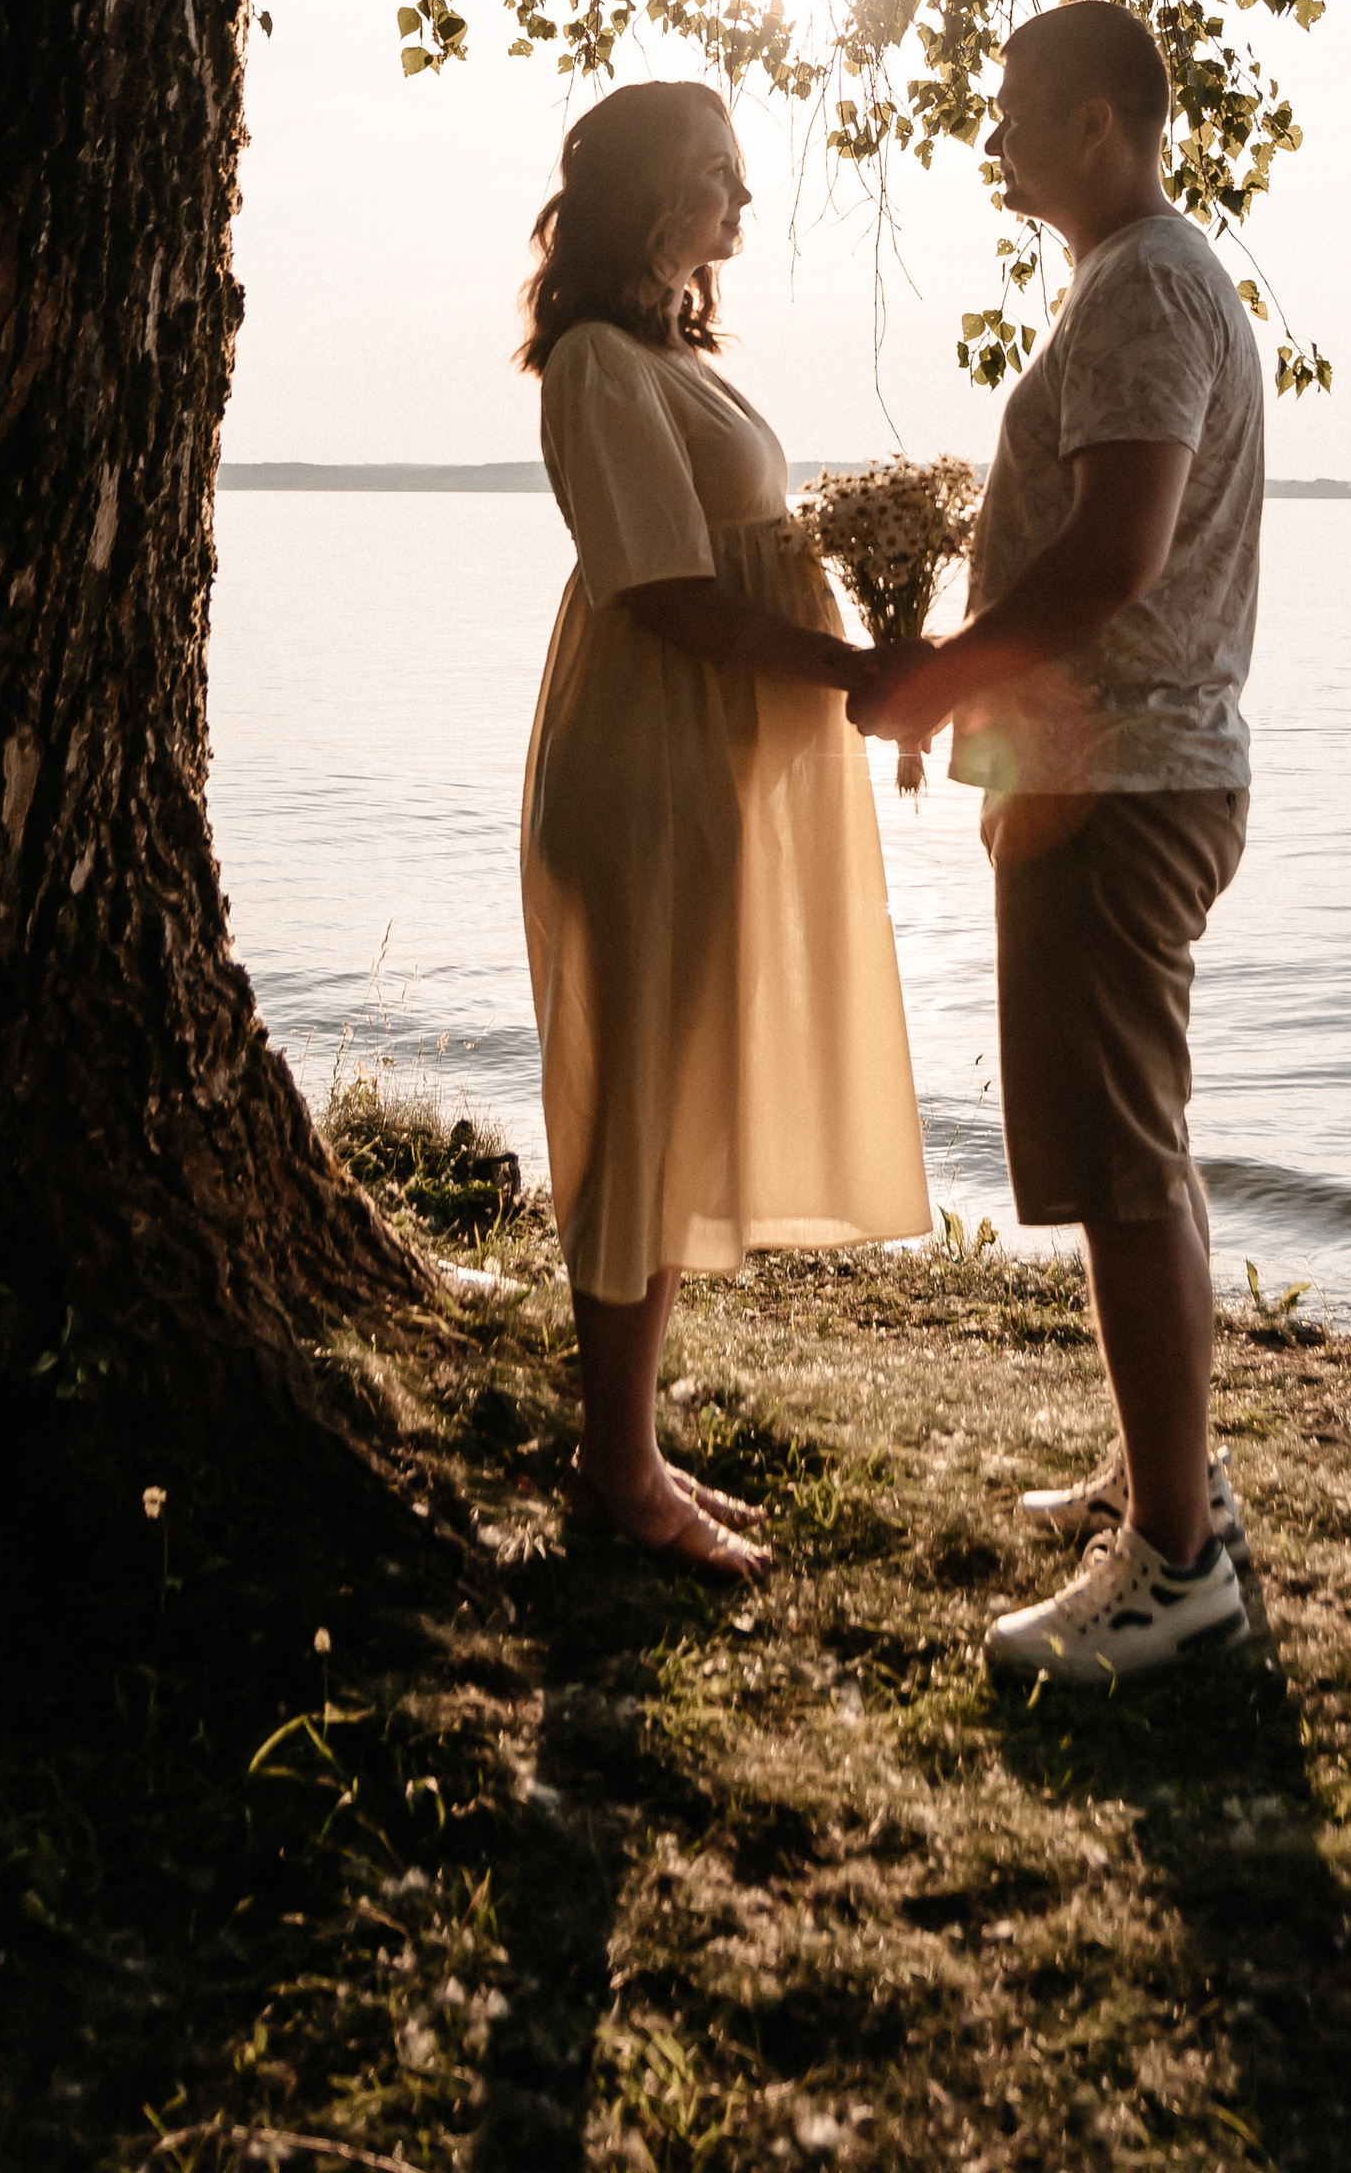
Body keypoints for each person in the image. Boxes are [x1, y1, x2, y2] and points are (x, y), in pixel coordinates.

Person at [850, 1, 1263, 1681]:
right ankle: (1165, 1478)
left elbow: (1114, 555)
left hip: (1127, 776)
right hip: (1107, 768)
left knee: (1122, 1160)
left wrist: (938, 684)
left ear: (1101, 122)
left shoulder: (1150, 283)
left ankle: (1176, 1569)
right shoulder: (1129, 281)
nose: (996, 135)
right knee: (1129, 1147)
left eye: (1019, 109)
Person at [519, 78, 931, 1580]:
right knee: (638, 1121)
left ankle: (628, 1448)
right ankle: (617, 1474)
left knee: (671, 1107)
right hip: (647, 773)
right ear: (647, 195)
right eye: (719, 179)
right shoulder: (598, 365)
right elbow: (670, 595)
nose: (744, 210)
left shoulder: (670, 353)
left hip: (702, 774)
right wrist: (851, 670)